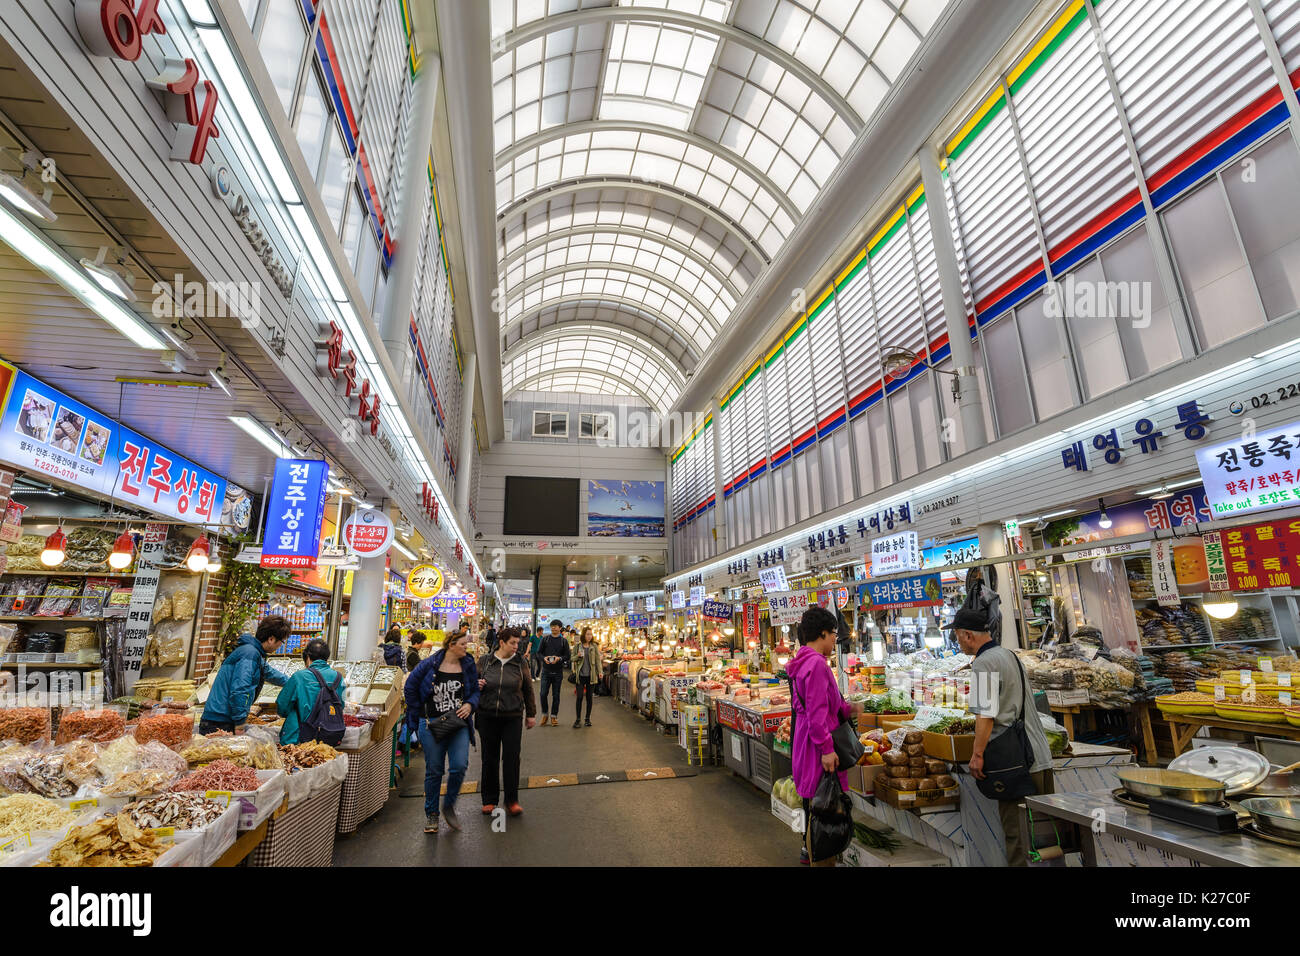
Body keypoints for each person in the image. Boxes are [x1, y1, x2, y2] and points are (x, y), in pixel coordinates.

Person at [947, 607, 1053, 866]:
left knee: (1019, 840)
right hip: (1038, 756)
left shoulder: (983, 663)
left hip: (1015, 763)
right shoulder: (1009, 655)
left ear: (967, 635)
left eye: (957, 636)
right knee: (1047, 838)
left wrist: (977, 753)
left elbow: (985, 714)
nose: (957, 641)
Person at [787, 606, 857, 867]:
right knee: (824, 821)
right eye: (833, 635)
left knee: (815, 815)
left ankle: (813, 857)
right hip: (817, 751)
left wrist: (851, 708)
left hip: (806, 746)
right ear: (823, 633)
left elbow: (816, 706)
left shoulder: (802, 661)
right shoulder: (816, 664)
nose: (834, 641)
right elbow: (817, 715)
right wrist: (827, 750)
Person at [405, 630, 480, 833]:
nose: (466, 647)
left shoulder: (468, 664)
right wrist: (418, 711)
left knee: (459, 765)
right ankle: (432, 814)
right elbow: (410, 687)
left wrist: (470, 705)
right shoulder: (429, 664)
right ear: (451, 645)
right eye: (463, 644)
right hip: (430, 724)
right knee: (434, 770)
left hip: (458, 723)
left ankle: (448, 805)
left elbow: (474, 691)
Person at [475, 627, 537, 816]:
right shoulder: (485, 661)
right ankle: (489, 800)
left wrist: (531, 713)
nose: (516, 647)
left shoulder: (520, 662)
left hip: (512, 716)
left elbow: (528, 688)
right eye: (512, 643)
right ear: (501, 642)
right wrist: (476, 685)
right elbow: (471, 683)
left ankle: (511, 800)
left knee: (511, 758)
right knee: (489, 758)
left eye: (517, 643)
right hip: (487, 715)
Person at [200, 616, 291, 734]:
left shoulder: (253, 652)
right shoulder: (250, 653)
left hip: (222, 718)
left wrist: (295, 681)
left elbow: (270, 673)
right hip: (220, 721)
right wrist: (240, 723)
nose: (281, 646)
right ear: (271, 639)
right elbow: (240, 689)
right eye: (281, 642)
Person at [276, 638, 346, 745]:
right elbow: (341, 705)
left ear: (307, 658)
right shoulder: (339, 678)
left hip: (298, 737)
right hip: (328, 736)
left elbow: (282, 706)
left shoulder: (299, 677)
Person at [536, 619, 570, 726]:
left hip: (558, 672)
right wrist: (544, 658)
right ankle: (545, 714)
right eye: (552, 626)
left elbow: (567, 656)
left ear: (560, 628)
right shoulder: (545, 639)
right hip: (546, 671)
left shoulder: (563, 641)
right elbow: (538, 653)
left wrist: (559, 658)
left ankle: (554, 716)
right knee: (542, 694)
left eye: (555, 626)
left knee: (556, 695)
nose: (553, 628)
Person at [570, 627, 600, 727]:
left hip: (591, 676)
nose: (589, 636)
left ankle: (587, 719)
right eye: (587, 634)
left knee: (589, 698)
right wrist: (578, 656)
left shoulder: (594, 646)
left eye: (590, 634)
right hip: (580, 675)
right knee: (579, 697)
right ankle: (578, 719)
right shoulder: (578, 646)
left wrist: (600, 672)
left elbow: (598, 660)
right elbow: (572, 659)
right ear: (583, 635)